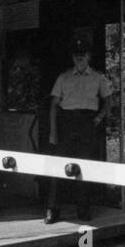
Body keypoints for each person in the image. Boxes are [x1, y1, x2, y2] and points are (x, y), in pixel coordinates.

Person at [44, 37, 111, 224]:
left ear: (89, 57)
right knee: (58, 166)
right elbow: (54, 105)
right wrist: (53, 132)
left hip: (87, 123)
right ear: (73, 58)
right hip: (66, 123)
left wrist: (98, 118)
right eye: (76, 55)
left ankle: (83, 208)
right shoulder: (63, 77)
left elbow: (108, 100)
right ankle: (53, 209)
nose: (79, 58)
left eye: (83, 55)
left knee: (85, 166)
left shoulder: (99, 78)